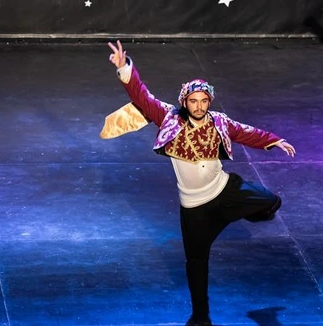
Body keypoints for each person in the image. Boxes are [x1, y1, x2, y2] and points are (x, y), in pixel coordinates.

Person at [104, 40, 296, 325]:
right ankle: (200, 317)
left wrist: (274, 140)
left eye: (204, 101)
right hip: (194, 206)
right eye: (193, 101)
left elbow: (246, 132)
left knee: (271, 201)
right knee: (196, 263)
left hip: (225, 190)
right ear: (185, 102)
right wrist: (124, 69)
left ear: (209, 102)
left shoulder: (219, 121)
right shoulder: (169, 118)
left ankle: (238, 213)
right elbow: (142, 96)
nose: (199, 106)